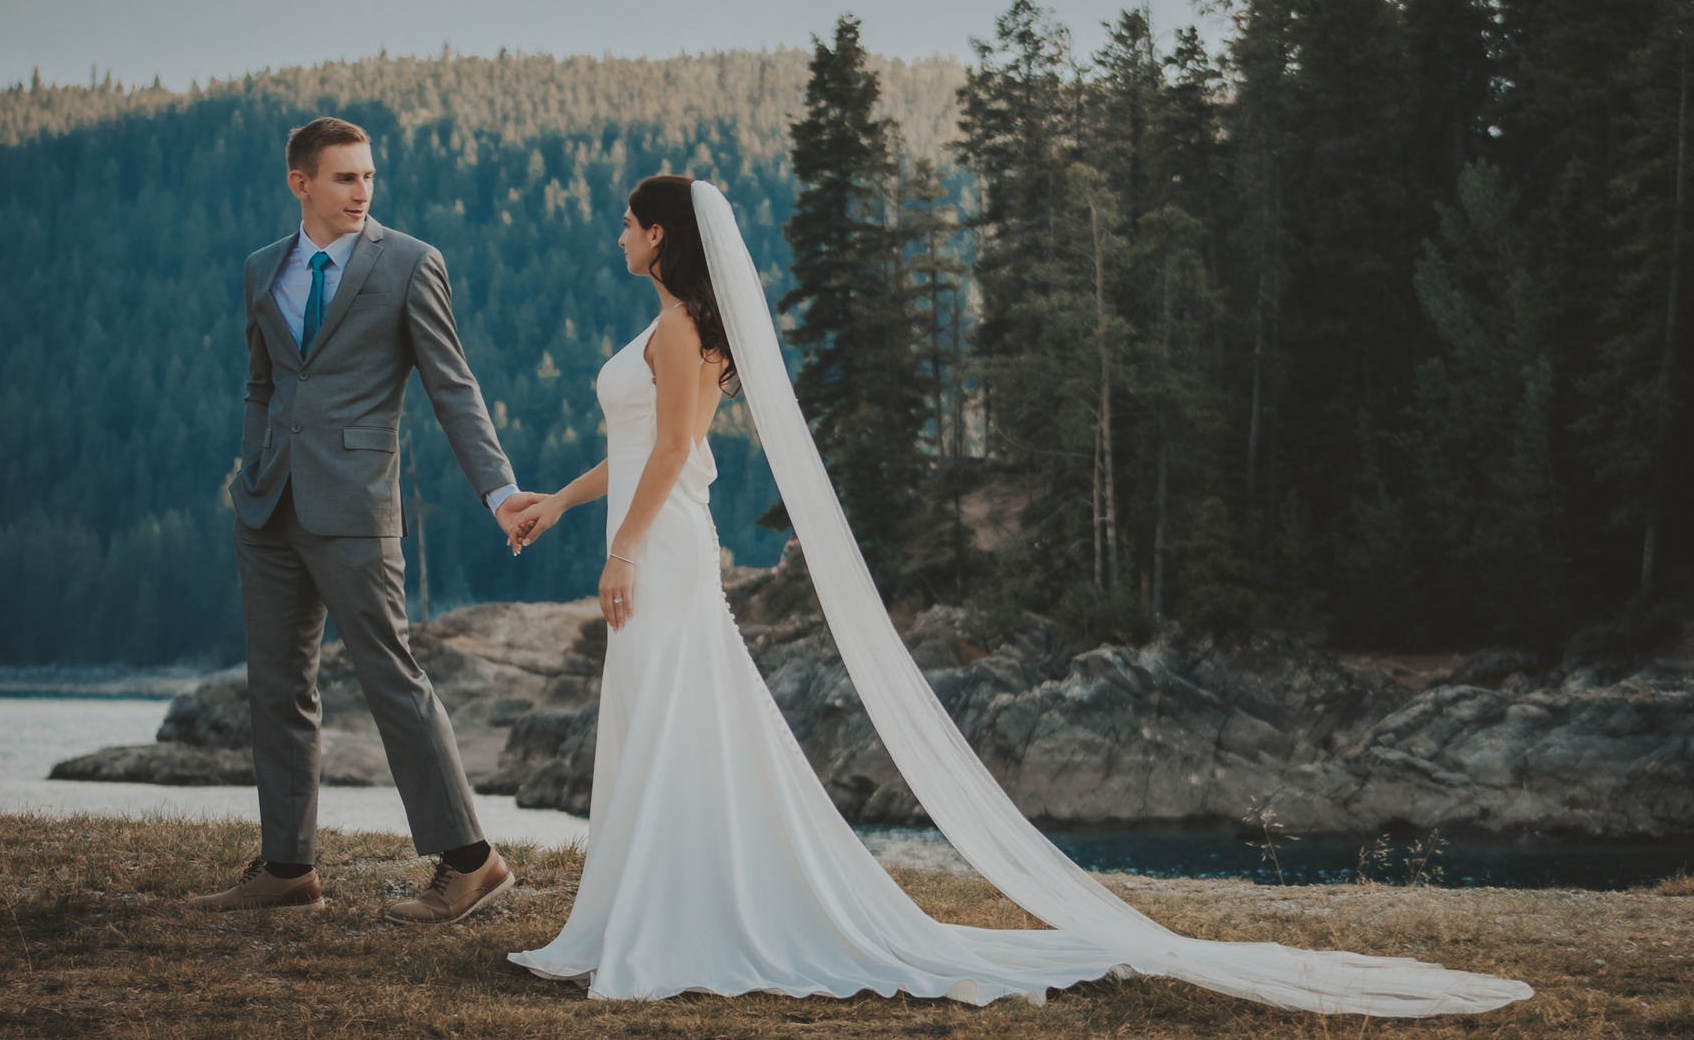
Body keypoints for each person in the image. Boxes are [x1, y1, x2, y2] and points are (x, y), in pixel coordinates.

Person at [501, 175, 1534, 1015]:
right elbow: (634, 446)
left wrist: (621, 553)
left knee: (681, 718)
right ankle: (652, 903)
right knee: (665, 723)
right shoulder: (668, 330)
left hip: (666, 548)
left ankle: (678, 914)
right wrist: (559, 501)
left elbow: (678, 451)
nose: (620, 237)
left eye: (630, 225)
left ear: (659, 236)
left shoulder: (681, 331)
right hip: (649, 531)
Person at [191, 116, 538, 924]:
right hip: (269, 504)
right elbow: (261, 381)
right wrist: (252, 464)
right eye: (345, 177)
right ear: (300, 181)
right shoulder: (260, 270)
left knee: (391, 675)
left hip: (354, 507)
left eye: (369, 177)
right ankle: (287, 867)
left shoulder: (411, 263)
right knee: (277, 686)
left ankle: (470, 860)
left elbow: (453, 386)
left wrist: (500, 492)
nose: (363, 192)